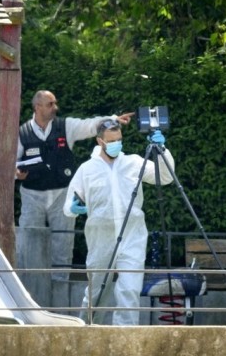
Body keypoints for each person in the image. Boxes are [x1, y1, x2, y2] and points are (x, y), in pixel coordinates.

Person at [14, 91, 130, 289]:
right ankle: (29, 288)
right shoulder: (21, 132)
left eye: (55, 103)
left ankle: (60, 289)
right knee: (28, 240)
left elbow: (89, 125)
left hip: (62, 193)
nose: (55, 107)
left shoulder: (65, 126)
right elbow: (10, 163)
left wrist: (111, 119)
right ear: (37, 107)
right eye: (50, 104)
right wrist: (16, 173)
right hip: (32, 195)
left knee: (63, 243)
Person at [63, 117, 174, 325]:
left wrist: (162, 151)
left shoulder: (133, 163)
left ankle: (125, 338)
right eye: (111, 140)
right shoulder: (87, 169)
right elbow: (68, 205)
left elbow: (165, 177)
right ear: (100, 141)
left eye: (119, 139)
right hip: (100, 239)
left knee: (129, 290)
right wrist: (73, 208)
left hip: (132, 237)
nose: (116, 144)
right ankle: (85, 333)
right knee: (96, 292)